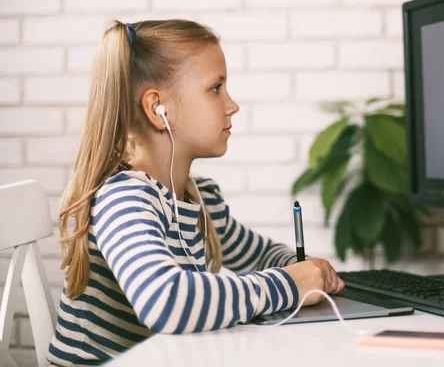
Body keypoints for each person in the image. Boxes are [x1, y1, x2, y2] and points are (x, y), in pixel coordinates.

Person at [47, 19, 345, 366]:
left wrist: (297, 265)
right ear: (159, 108)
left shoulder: (199, 198)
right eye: (216, 88)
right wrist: (288, 285)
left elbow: (256, 252)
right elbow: (164, 301)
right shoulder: (125, 199)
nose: (232, 105)